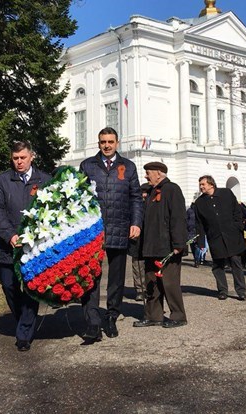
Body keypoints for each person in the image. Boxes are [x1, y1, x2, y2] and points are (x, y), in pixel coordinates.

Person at [79, 127, 143, 343]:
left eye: (110, 141)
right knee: (91, 277)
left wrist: (136, 223)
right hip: (93, 230)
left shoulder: (129, 166)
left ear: (117, 143)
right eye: (103, 142)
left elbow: (136, 197)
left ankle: (111, 316)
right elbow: (78, 197)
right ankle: (93, 322)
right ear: (98, 143)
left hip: (119, 226)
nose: (106, 145)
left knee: (116, 279)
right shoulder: (88, 165)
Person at [0, 140, 51, 351]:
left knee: (31, 290)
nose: (19, 162)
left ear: (31, 156)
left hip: (35, 247)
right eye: (15, 158)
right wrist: (9, 235)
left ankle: (24, 333)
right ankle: (22, 321)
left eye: (23, 158)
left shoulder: (44, 180)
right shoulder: (2, 180)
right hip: (9, 247)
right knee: (9, 285)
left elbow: (51, 210)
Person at [133, 162, 188, 328]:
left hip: (167, 247)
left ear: (159, 173)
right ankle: (153, 316)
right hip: (150, 247)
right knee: (152, 284)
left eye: (148, 172)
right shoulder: (149, 192)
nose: (146, 176)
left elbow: (178, 218)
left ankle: (178, 316)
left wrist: (178, 244)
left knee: (170, 283)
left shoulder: (172, 189)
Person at [194, 175, 246, 301]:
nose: (201, 187)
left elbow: (237, 211)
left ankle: (241, 291)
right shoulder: (199, 202)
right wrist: (201, 241)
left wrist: (238, 226)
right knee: (218, 265)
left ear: (211, 184)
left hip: (232, 235)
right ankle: (222, 290)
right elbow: (199, 223)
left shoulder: (226, 193)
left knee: (236, 262)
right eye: (200, 185)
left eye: (203, 184)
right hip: (215, 237)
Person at [128, 183, 151, 301]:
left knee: (150, 267)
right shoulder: (134, 206)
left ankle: (150, 288)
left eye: (146, 192)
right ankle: (140, 290)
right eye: (142, 192)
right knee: (138, 267)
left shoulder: (153, 205)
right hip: (136, 242)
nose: (144, 195)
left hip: (150, 242)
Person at [186, 203, 201, 267]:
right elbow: (186, 220)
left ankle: (197, 260)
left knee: (197, 246)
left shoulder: (200, 210)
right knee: (193, 246)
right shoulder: (189, 211)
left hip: (197, 231)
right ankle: (196, 259)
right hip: (191, 232)